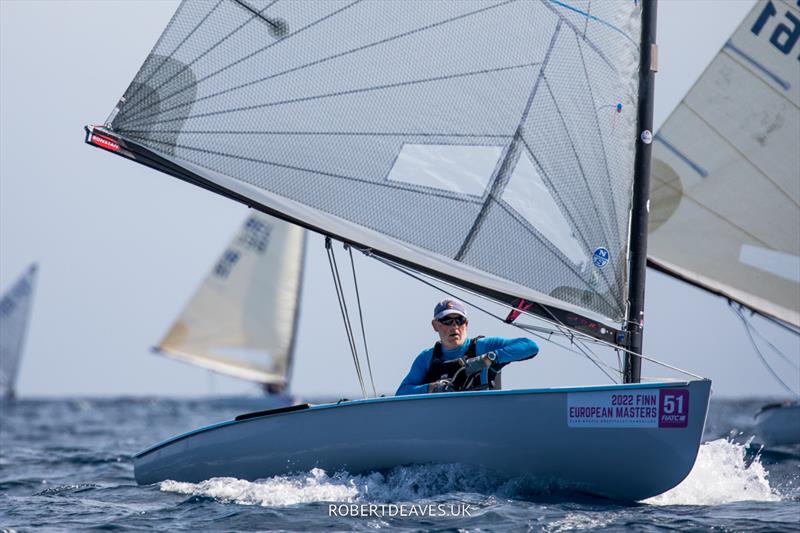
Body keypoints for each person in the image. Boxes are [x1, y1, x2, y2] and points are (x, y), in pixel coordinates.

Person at [396, 298, 539, 395]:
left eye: (459, 320)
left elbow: (530, 346)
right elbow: (402, 392)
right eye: (447, 321)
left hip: (481, 418)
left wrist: (488, 359)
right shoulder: (426, 358)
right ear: (435, 325)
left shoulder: (483, 347)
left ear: (466, 324)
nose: (455, 326)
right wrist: (432, 388)